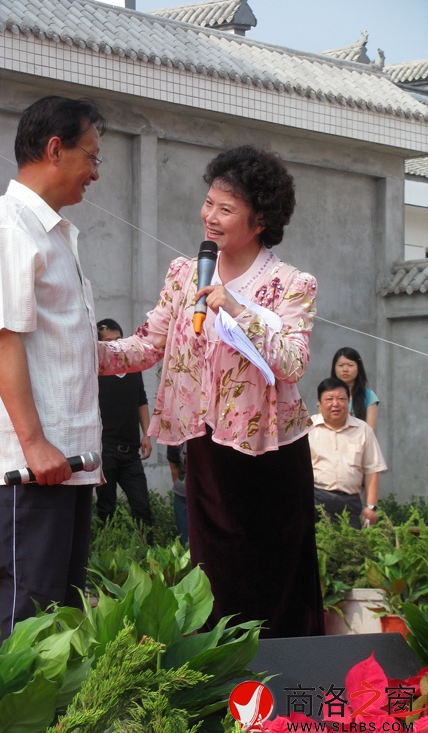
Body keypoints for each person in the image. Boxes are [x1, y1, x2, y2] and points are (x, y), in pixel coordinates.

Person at [98, 144, 324, 638]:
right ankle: (223, 677)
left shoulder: (290, 284)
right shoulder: (186, 273)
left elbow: (293, 362)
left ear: (260, 219)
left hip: (270, 455)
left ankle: (287, 680)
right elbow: (148, 344)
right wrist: (84, 354)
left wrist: (238, 310)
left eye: (226, 208)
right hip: (205, 449)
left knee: (276, 579)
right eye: (208, 203)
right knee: (215, 578)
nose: (210, 217)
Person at [0, 95, 106, 639]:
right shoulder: (5, 227)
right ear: (55, 149)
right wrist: (34, 442)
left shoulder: (52, 233)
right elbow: (2, 340)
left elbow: (63, 345)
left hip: (66, 462)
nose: (95, 172)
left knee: (58, 624)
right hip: (30, 465)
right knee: (23, 621)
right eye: (91, 156)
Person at [96, 318, 153, 535]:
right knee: (106, 510)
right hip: (105, 450)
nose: (115, 346)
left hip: (131, 452)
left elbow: (141, 400)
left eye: (118, 340)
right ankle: (107, 549)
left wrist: (147, 434)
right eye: (109, 342)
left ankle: (147, 550)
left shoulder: (133, 366)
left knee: (142, 509)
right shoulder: (96, 370)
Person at [309, 377, 387, 530]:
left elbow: (372, 470)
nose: (335, 404)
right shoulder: (307, 428)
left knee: (351, 544)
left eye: (341, 398)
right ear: (319, 402)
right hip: (315, 500)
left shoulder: (363, 430)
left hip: (350, 502)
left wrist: (371, 507)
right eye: (329, 399)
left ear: (348, 400)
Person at [331, 346, 379, 432]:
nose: (345, 369)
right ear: (334, 368)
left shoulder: (369, 396)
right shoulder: (326, 395)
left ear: (358, 368)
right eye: (341, 365)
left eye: (350, 365)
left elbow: (370, 431)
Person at [167, 443, 188, 545]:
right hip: (182, 497)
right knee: (185, 541)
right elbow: (174, 468)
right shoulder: (175, 437)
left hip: (208, 496)